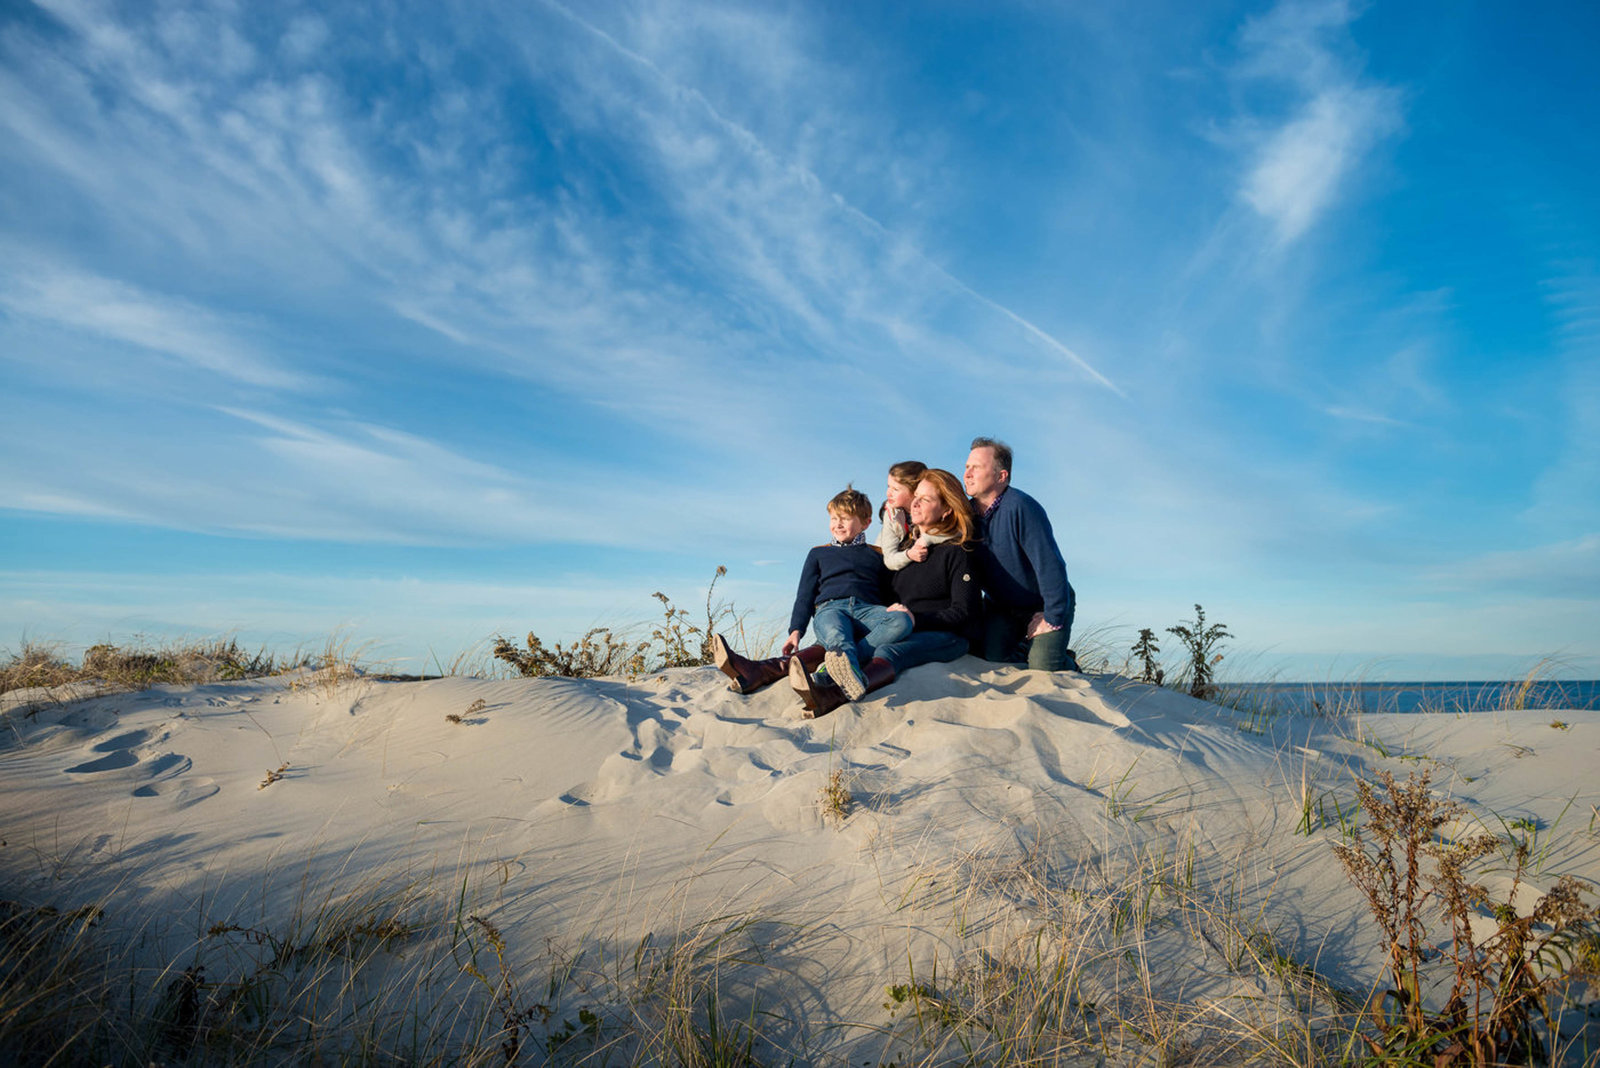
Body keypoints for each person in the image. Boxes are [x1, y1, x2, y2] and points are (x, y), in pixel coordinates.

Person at [790, 468, 981, 717]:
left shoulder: (957, 551)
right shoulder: (902, 551)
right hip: (902, 625)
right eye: (916, 496)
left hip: (947, 635)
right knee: (840, 633)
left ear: (946, 509)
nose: (916, 502)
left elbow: (965, 612)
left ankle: (832, 694)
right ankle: (776, 670)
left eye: (926, 499)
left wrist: (915, 619)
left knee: (888, 651)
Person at [713, 485, 909, 698]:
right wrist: (796, 630)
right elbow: (804, 595)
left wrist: (893, 606)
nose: (838, 524)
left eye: (845, 518)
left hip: (866, 611)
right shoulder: (819, 553)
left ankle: (831, 668)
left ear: (865, 523)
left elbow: (887, 589)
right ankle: (845, 671)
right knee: (837, 636)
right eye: (834, 518)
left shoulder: (877, 555)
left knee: (902, 620)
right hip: (831, 609)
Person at [964, 436, 1079, 672]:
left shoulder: (1022, 507)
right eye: (967, 467)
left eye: (976, 467)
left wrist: (1052, 617)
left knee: (1043, 667)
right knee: (992, 658)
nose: (967, 474)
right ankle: (1031, 647)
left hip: (1045, 603)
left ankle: (1062, 659)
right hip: (1002, 608)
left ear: (1001, 476)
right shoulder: (965, 516)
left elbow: (1051, 566)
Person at [879, 460, 927, 571]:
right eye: (888, 487)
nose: (888, 493)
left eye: (895, 489)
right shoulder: (891, 514)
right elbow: (889, 559)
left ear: (915, 491)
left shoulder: (931, 510)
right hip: (890, 558)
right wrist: (909, 555)